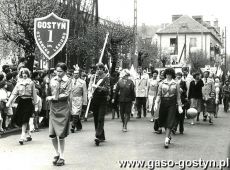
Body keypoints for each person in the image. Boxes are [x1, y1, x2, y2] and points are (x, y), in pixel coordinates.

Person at [46, 63, 71, 166]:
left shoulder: (68, 81)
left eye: (60, 71)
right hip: (53, 108)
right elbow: (48, 93)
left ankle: (62, 156)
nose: (58, 73)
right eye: (57, 71)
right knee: (52, 134)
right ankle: (56, 153)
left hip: (63, 108)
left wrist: (53, 97)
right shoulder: (52, 80)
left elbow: (67, 94)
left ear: (65, 71)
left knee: (61, 134)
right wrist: (46, 86)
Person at [6, 68, 37, 145]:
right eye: (23, 73)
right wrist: (9, 102)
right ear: (21, 74)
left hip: (29, 102)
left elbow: (34, 94)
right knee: (23, 118)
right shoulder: (18, 83)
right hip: (21, 102)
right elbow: (14, 93)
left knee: (25, 118)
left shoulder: (31, 83)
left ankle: (22, 136)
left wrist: (36, 105)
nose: (24, 74)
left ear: (28, 74)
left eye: (26, 73)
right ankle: (29, 134)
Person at [154, 68, 182, 148]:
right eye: (167, 74)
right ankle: (168, 135)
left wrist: (179, 106)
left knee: (170, 119)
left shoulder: (176, 83)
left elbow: (178, 96)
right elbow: (159, 94)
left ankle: (166, 139)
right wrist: (156, 103)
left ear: (172, 75)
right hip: (163, 102)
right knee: (164, 120)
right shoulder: (162, 83)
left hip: (172, 103)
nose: (168, 75)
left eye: (170, 74)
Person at [88, 63, 110, 146]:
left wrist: (97, 87)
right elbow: (90, 86)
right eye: (97, 69)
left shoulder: (106, 77)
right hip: (95, 99)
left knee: (101, 117)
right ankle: (101, 135)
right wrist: (89, 93)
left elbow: (107, 89)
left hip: (102, 99)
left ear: (103, 69)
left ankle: (97, 135)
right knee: (96, 118)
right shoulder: (93, 77)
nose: (98, 70)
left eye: (100, 69)